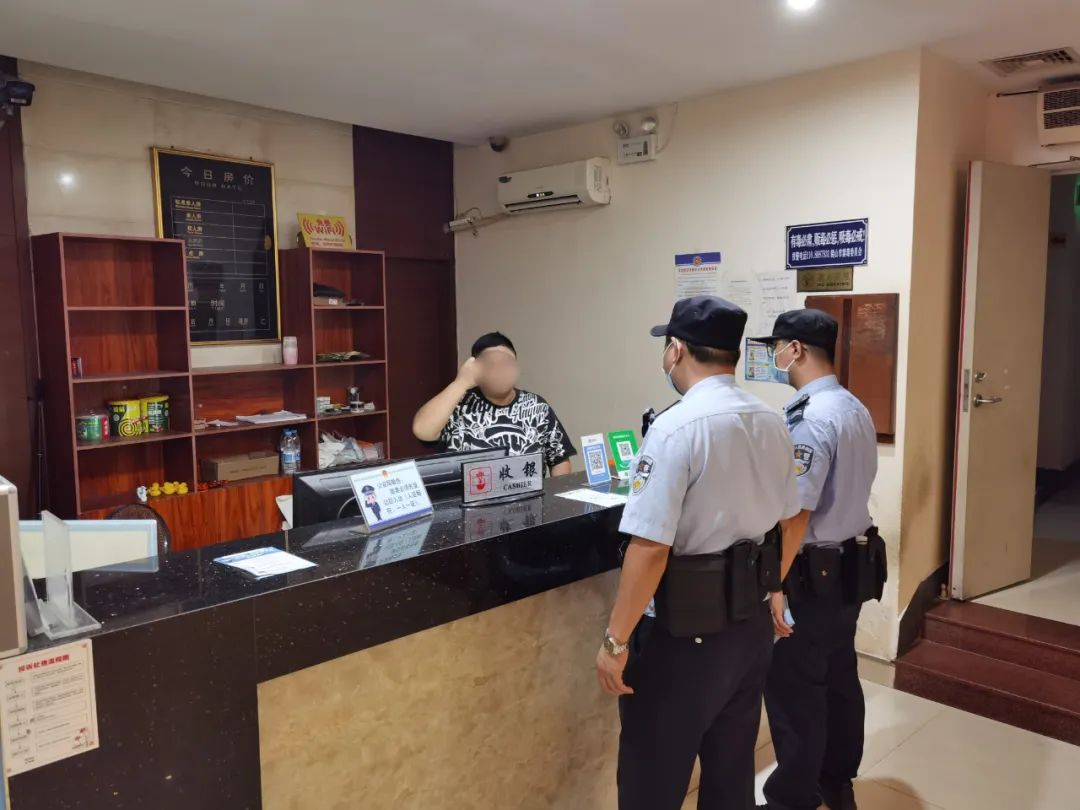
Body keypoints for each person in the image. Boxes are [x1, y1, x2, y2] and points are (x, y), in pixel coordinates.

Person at [595, 296, 802, 810]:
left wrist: (615, 642)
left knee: (652, 780)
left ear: (676, 350)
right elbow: (793, 518)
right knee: (730, 773)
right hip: (749, 627)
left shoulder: (675, 428)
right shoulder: (772, 420)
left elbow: (649, 549)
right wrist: (775, 586)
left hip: (681, 637)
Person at [751, 309, 880, 810]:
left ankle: (792, 798)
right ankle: (836, 782)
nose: (775, 357)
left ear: (797, 350)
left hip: (812, 573)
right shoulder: (852, 406)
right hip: (852, 566)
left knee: (795, 689)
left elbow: (796, 515)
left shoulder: (810, 418)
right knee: (839, 677)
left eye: (777, 348)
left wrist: (775, 583)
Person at [412, 332, 576, 475]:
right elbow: (423, 431)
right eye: (490, 364)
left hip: (527, 499)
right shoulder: (457, 404)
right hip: (467, 499)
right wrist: (460, 382)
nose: (500, 370)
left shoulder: (537, 407)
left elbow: (559, 459)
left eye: (507, 363)